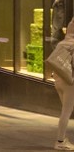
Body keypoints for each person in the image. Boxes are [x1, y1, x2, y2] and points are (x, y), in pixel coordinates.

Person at [51, 19, 74, 150]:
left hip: (58, 81)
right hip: (70, 83)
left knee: (65, 111)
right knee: (66, 112)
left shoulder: (62, 43)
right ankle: (60, 142)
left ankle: (62, 139)